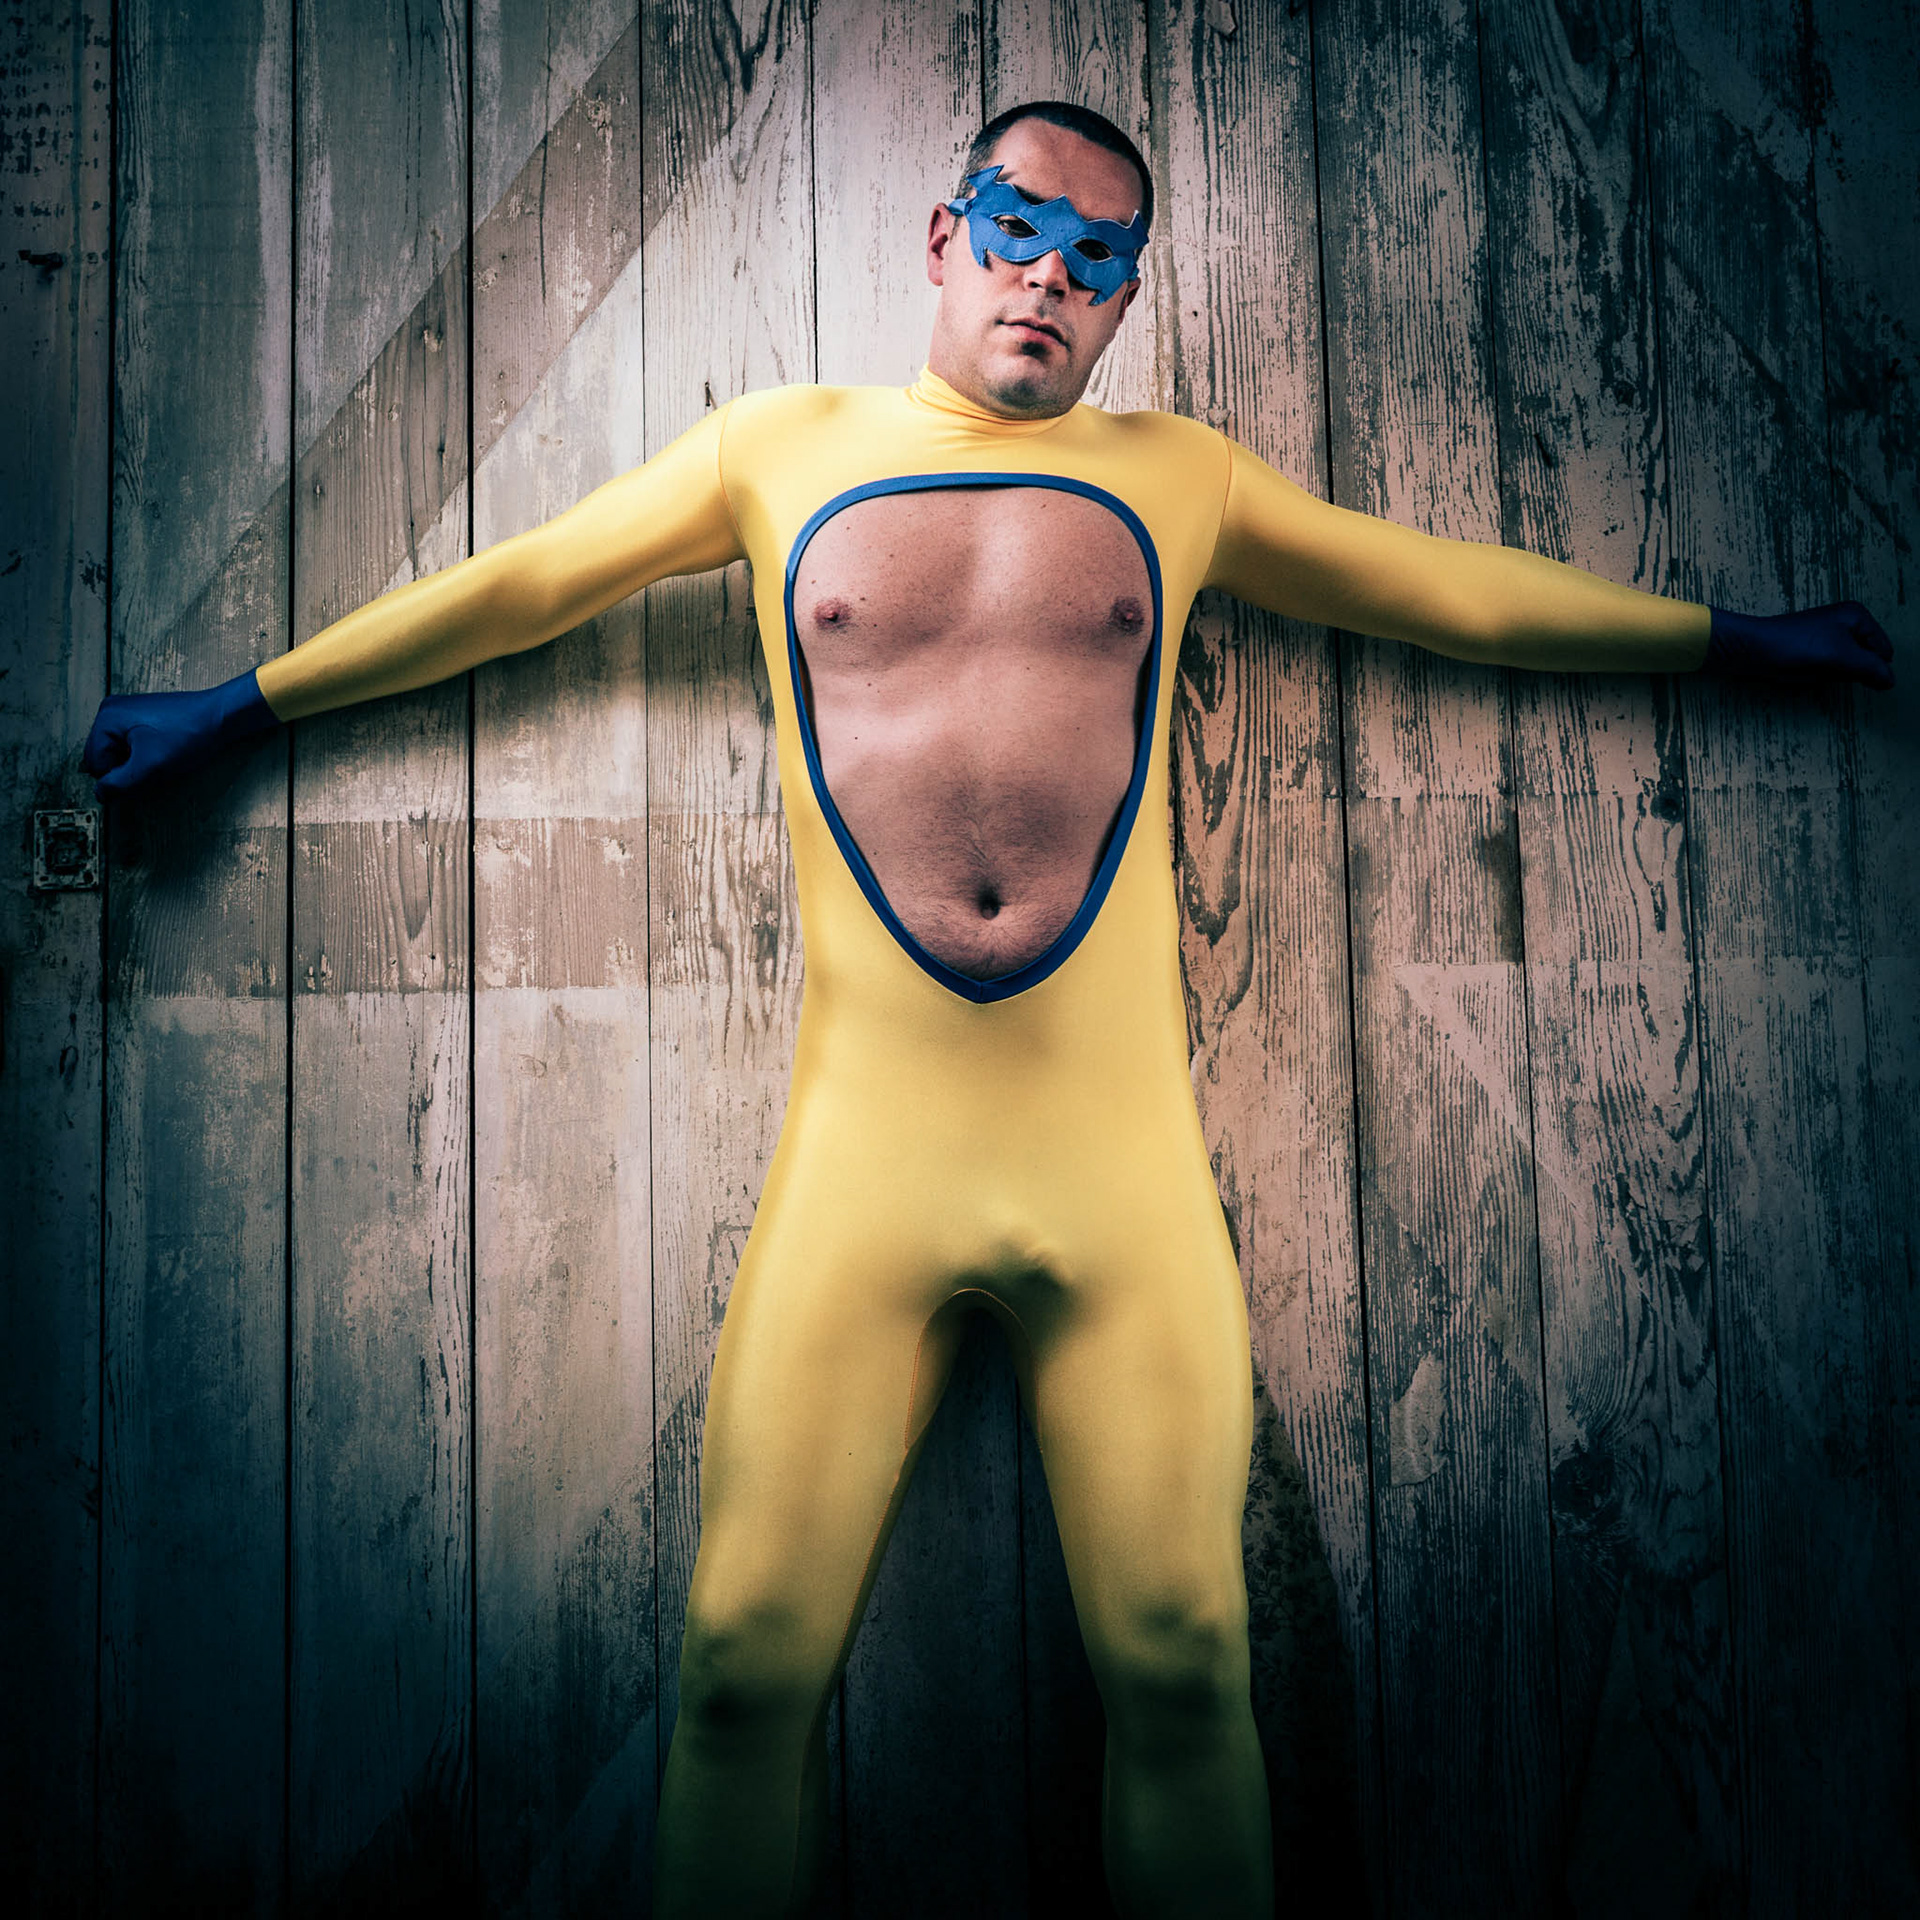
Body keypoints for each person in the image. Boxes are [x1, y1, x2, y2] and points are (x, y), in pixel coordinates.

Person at [83, 99, 1894, 1919]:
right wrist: (239, 705)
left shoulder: (1182, 478)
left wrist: (1733, 637)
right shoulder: (776, 450)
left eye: (1099, 255)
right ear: (945, 239)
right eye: (1019, 226)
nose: (1050, 274)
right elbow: (527, 585)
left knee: (1185, 1657)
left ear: (1124, 302)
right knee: (740, 1662)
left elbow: (1449, 592)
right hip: (866, 1175)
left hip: (1115, 1182)